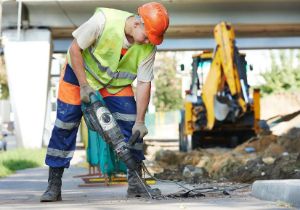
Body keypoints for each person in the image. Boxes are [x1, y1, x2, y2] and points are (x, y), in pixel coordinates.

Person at [40, 2, 169, 202]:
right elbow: (75, 49)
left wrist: (141, 121)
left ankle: (136, 184)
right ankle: (53, 185)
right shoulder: (104, 20)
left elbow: (144, 83)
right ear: (137, 24)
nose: (148, 42)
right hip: (79, 76)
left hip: (114, 83)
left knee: (131, 125)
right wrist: (84, 86)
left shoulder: (149, 46)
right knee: (65, 125)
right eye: (147, 36)